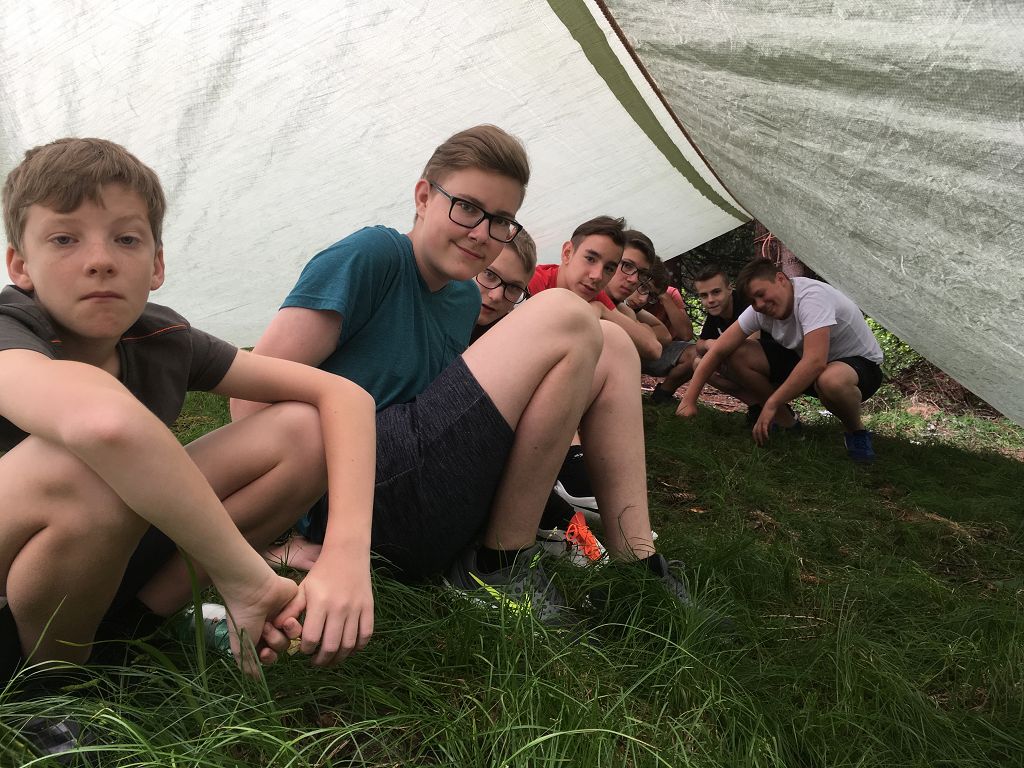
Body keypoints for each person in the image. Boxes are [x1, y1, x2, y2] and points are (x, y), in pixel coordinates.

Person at [0, 137, 377, 754]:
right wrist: (247, 578)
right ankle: (49, 696)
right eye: (65, 239)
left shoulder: (165, 337)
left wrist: (346, 553)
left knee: (301, 433)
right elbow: (102, 424)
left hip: (92, 565)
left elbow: (344, 397)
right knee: (84, 461)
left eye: (126, 239)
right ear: (20, 266)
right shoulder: (8, 329)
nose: (100, 260)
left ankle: (130, 635)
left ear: (157, 264)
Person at [236, 125, 691, 625]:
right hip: (354, 496)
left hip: (425, 491)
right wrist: (277, 539)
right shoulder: (374, 254)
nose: (482, 233)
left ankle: (638, 563)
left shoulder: (461, 299)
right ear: (423, 197)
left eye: (501, 221)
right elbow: (250, 394)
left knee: (616, 346)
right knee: (566, 312)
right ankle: (499, 564)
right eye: (468, 207)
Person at [677, 258, 884, 462]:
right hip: (807, 364)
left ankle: (856, 432)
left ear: (781, 279)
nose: (759, 304)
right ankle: (788, 425)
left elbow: (815, 361)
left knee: (831, 381)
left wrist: (771, 403)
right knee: (737, 352)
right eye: (752, 301)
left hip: (859, 368)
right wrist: (689, 400)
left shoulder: (812, 298)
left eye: (761, 294)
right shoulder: (758, 311)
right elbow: (718, 351)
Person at [649, 263, 749, 407]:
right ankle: (757, 405)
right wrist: (709, 344)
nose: (710, 299)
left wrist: (663, 296)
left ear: (729, 288)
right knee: (702, 362)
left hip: (763, 364)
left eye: (716, 292)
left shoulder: (745, 305)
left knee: (705, 360)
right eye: (704, 295)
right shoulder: (716, 309)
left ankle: (766, 404)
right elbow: (702, 343)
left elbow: (686, 335)